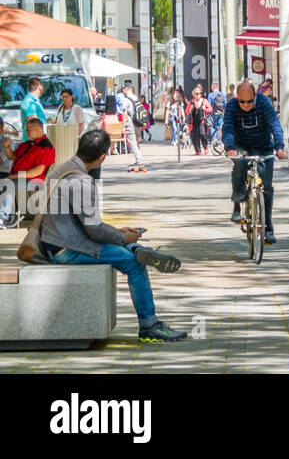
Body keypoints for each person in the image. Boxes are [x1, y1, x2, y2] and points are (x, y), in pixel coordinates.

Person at [36, 129, 188, 342]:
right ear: (102, 157)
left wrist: (117, 231)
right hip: (66, 250)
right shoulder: (81, 181)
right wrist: (123, 238)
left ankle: (138, 250)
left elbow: (82, 222)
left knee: (122, 244)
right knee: (134, 264)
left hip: (56, 241)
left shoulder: (60, 169)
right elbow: (94, 230)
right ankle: (149, 325)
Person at [222, 80, 287, 244]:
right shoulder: (231, 106)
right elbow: (228, 128)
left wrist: (279, 147)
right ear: (237, 98)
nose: (245, 105)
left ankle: (268, 229)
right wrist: (230, 147)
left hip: (263, 146)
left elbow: (274, 124)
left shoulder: (264, 103)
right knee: (240, 164)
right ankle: (238, 200)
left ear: (255, 96)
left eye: (249, 101)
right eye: (241, 101)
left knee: (267, 187)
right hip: (241, 146)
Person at [1, 117, 56, 225]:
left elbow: (38, 171)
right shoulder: (28, 144)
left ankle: (5, 217)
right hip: (19, 177)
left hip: (33, 180)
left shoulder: (45, 146)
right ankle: (11, 214)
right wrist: (7, 147)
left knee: (8, 183)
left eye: (28, 129)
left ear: (37, 128)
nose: (26, 132)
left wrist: (14, 176)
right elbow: (12, 157)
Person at [102, 93, 145, 172]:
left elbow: (125, 114)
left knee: (132, 143)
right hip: (138, 123)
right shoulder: (136, 98)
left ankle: (139, 162)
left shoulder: (126, 100)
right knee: (136, 142)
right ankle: (138, 160)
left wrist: (123, 126)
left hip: (129, 124)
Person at [187, 84, 212, 155]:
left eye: (200, 93)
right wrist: (190, 109)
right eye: (197, 93)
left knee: (202, 134)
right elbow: (187, 112)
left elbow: (210, 109)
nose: (199, 95)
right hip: (193, 122)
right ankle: (198, 151)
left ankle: (205, 147)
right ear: (193, 95)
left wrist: (205, 109)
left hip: (202, 121)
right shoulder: (191, 102)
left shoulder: (204, 101)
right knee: (194, 136)